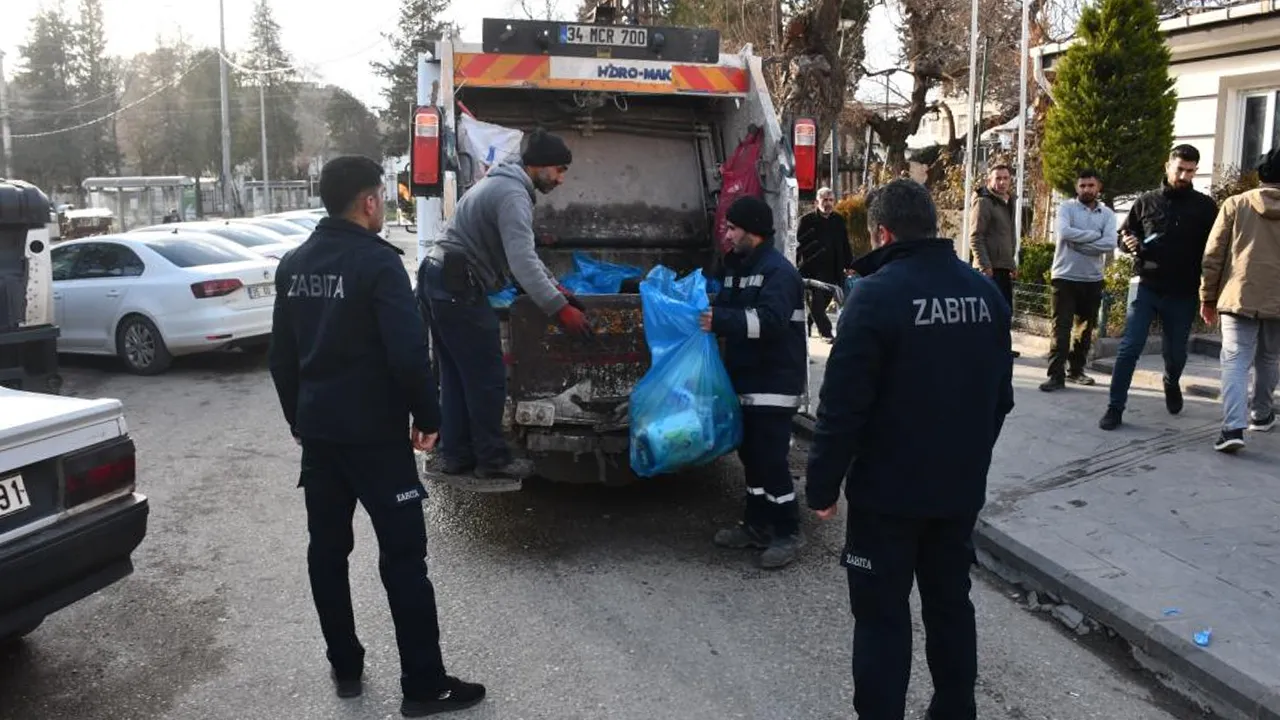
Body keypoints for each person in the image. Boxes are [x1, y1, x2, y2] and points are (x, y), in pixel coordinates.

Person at [268, 155, 485, 717]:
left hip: (321, 437)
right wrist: (429, 417)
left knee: (327, 553)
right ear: (368, 201)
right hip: (375, 440)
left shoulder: (294, 264)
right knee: (405, 559)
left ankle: (345, 666)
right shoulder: (378, 265)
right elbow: (409, 354)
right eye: (382, 196)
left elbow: (280, 358)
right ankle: (423, 684)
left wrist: (300, 418)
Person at [806, 179, 1015, 720]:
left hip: (887, 498)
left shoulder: (875, 296)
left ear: (882, 231)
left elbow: (842, 406)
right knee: (950, 605)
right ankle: (955, 710)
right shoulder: (985, 294)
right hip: (957, 491)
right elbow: (1001, 399)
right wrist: (970, 459)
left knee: (880, 618)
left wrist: (823, 485)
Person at [417, 129, 592, 481]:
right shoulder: (512, 194)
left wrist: (557, 288)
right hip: (456, 285)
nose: (561, 179)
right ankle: (492, 460)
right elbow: (522, 263)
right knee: (486, 376)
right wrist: (560, 308)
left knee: (455, 375)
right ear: (538, 166)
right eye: (558, 170)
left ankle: (457, 455)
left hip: (439, 279)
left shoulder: (503, 184)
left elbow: (525, 254)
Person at [699, 195, 808, 569]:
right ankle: (756, 524)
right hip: (746, 378)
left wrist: (721, 321)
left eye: (732, 228)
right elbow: (727, 307)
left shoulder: (780, 273)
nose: (727, 235)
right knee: (751, 457)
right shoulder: (738, 268)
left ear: (753, 232)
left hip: (774, 382)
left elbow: (770, 322)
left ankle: (787, 531)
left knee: (771, 459)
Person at [1099, 144, 1219, 431]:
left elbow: (1217, 249)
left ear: (1195, 171)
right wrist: (1127, 243)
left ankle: (1171, 380)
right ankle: (1115, 407)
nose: (1183, 175)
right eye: (1179, 169)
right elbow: (1125, 234)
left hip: (1183, 291)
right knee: (1129, 347)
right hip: (1146, 285)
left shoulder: (1204, 208)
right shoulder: (1146, 202)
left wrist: (1211, 291)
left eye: (1189, 171)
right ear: (1168, 166)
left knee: (1175, 353)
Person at [1199, 147, 1280, 452]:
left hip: (1238, 295)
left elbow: (1213, 255)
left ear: (1260, 175)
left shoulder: (1235, 204)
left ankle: (1233, 427)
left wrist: (1207, 297)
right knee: (1269, 358)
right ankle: (1261, 414)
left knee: (1234, 361)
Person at [1041, 169, 1117, 392]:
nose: (1086, 189)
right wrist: (1096, 237)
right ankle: (1055, 375)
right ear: (1076, 188)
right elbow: (1064, 233)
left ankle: (1076, 371)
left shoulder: (1108, 215)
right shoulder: (1066, 208)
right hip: (1064, 277)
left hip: (1093, 279)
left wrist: (1081, 242)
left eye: (1091, 185)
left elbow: (1110, 243)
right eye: (1082, 186)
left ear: (1098, 187)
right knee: (1061, 329)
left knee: (1085, 329)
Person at [969, 163, 1021, 358]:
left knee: (1005, 310)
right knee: (989, 311)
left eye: (1005, 178)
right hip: (988, 268)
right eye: (997, 178)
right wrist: (984, 265)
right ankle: (985, 348)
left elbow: (1007, 236)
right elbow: (975, 236)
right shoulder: (984, 202)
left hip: (1003, 265)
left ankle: (1001, 346)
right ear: (989, 180)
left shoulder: (1009, 201)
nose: (1002, 182)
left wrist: (1011, 263)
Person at [797, 187, 853, 341]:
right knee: (817, 303)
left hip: (833, 270)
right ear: (817, 202)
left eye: (830, 200)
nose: (828, 204)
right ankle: (826, 333)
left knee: (821, 304)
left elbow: (844, 244)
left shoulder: (838, 220)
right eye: (824, 200)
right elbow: (798, 246)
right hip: (812, 271)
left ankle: (807, 324)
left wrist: (849, 265)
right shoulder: (806, 221)